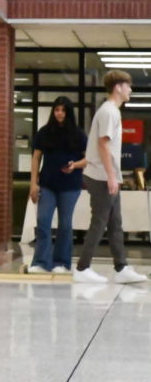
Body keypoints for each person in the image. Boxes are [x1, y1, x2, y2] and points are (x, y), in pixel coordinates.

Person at [73, 70, 147, 284]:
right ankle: (82, 268)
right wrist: (111, 176)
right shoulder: (109, 112)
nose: (130, 90)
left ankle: (121, 266)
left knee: (115, 223)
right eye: (128, 86)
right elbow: (103, 144)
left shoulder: (112, 111)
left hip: (105, 176)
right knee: (100, 222)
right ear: (118, 87)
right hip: (102, 177)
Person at [27, 96, 87, 274]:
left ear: (68, 112)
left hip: (70, 185)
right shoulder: (44, 132)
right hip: (47, 183)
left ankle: (61, 263)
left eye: (63, 110)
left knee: (65, 224)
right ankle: (40, 262)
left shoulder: (78, 134)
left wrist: (75, 165)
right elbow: (36, 158)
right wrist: (33, 184)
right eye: (57, 110)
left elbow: (88, 159)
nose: (59, 113)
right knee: (43, 221)